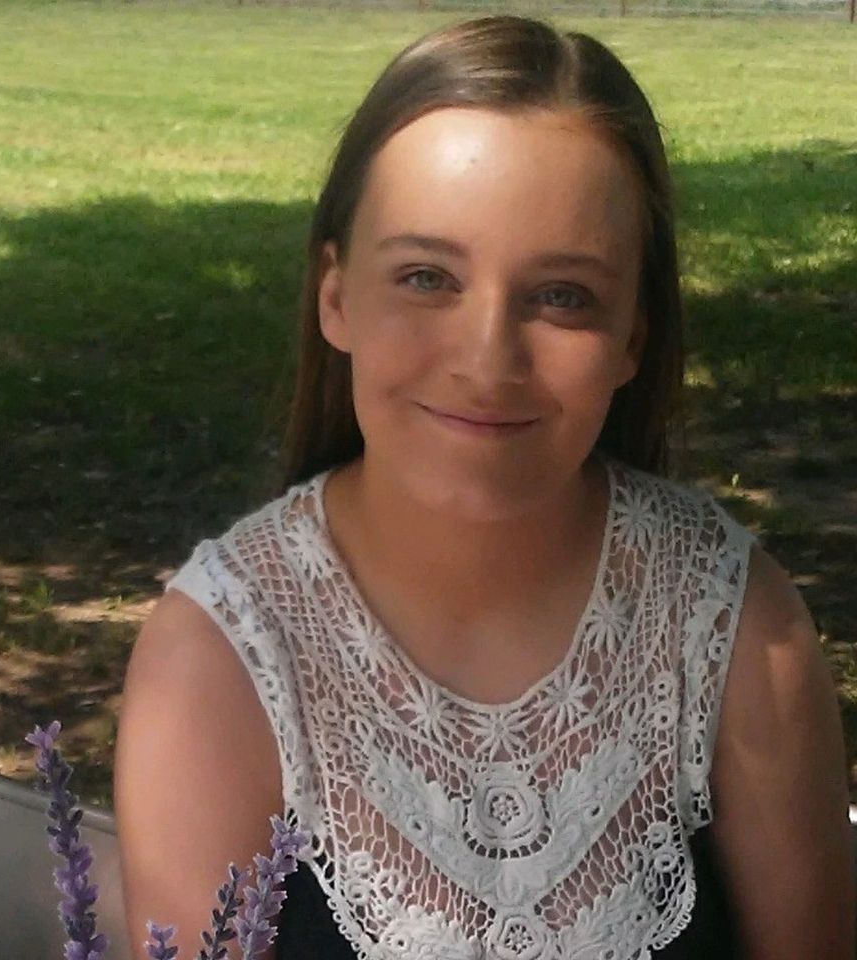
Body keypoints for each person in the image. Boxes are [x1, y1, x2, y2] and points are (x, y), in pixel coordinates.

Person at [113, 15, 854, 960]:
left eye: (563, 296)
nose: (487, 358)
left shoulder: (734, 625)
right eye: (427, 277)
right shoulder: (217, 659)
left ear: (633, 336)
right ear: (336, 297)